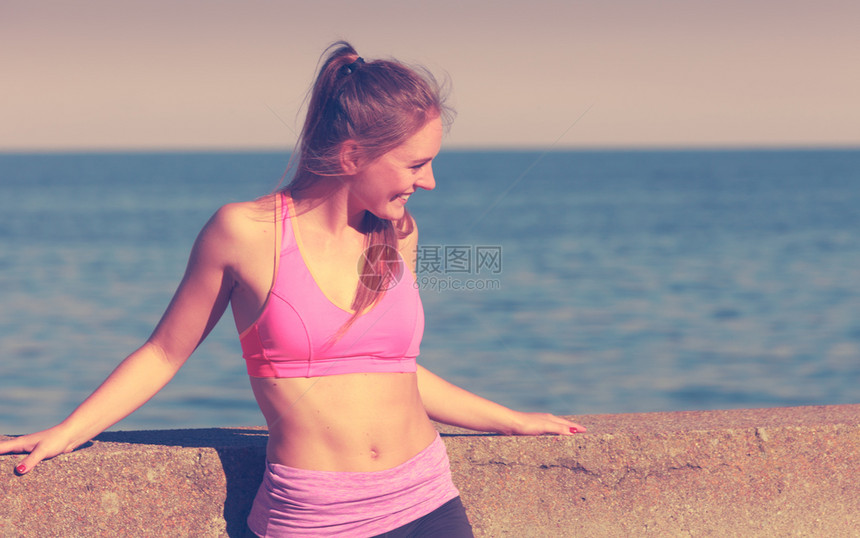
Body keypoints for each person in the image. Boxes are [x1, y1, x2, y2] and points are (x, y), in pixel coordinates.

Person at [0, 41, 585, 537]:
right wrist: (69, 431)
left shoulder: (397, 233)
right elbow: (163, 353)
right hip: (314, 518)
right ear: (354, 154)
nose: (429, 182)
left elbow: (394, 370)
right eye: (415, 165)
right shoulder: (243, 233)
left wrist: (510, 419)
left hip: (429, 501)